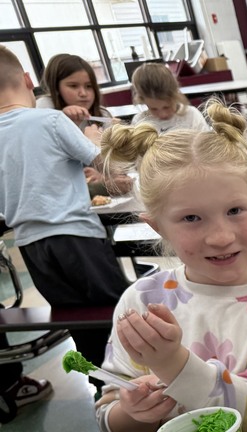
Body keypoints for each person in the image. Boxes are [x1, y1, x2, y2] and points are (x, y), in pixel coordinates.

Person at [96, 101, 247, 432]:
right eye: (191, 218)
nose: (221, 237)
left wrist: (175, 365)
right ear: (157, 226)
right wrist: (134, 411)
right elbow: (109, 417)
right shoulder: (141, 302)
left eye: (235, 210)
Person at [0, 45, 130, 386]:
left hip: (31, 247)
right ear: (29, 80)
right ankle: (134, 383)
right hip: (77, 236)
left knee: (79, 320)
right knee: (119, 313)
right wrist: (98, 139)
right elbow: (106, 165)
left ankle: (103, 389)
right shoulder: (51, 119)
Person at [37, 53, 133, 198]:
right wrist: (65, 123)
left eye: (89, 86)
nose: (83, 93)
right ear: (56, 88)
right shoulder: (45, 111)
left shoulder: (102, 115)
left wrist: (103, 174)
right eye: (73, 86)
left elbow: (119, 167)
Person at [130, 62, 209, 133]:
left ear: (176, 95)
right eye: (153, 109)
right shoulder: (140, 123)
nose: (162, 114)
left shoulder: (191, 116)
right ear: (142, 101)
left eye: (167, 107)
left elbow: (208, 146)